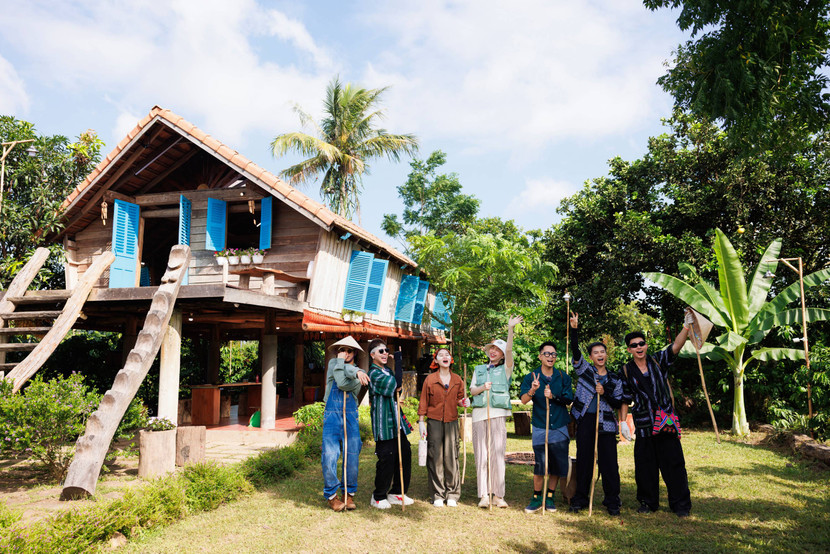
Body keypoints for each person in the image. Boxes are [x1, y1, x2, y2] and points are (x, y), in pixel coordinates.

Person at [620, 316, 693, 517]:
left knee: (674, 465)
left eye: (641, 343)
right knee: (645, 468)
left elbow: (676, 346)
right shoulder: (626, 370)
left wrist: (686, 325)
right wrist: (623, 423)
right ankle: (647, 502)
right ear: (629, 350)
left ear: (646, 345)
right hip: (643, 425)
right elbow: (625, 398)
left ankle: (680, 505)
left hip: (666, 423)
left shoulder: (658, 360)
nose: (639, 347)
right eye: (634, 345)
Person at [567, 312, 623, 515]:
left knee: (609, 464)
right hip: (585, 421)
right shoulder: (585, 371)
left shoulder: (615, 379)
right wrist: (574, 329)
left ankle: (612, 501)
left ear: (607, 355)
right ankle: (580, 499)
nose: (600, 355)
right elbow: (575, 351)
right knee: (584, 461)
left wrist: (604, 392)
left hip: (607, 424)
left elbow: (618, 401)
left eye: (603, 352)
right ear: (591, 357)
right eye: (596, 352)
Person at [469, 315, 522, 508]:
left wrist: (510, 328)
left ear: (502, 355)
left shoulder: (507, 369)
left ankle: (498, 495)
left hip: (498, 415)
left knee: (497, 455)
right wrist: (483, 387)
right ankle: (483, 494)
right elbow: (472, 390)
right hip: (479, 415)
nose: (494, 351)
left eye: (497, 350)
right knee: (481, 455)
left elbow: (509, 349)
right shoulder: (479, 369)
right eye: (492, 348)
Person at [519, 340, 574, 513]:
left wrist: (554, 396)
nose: (551, 357)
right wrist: (533, 390)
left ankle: (550, 496)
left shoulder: (563, 376)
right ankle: (536, 498)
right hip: (540, 425)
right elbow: (523, 400)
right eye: (547, 354)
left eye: (553, 354)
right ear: (540, 356)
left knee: (557, 464)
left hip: (559, 426)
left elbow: (569, 399)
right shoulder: (531, 377)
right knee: (541, 464)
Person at [321, 336, 370, 511]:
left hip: (350, 416)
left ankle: (348, 494)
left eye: (349, 350)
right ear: (338, 352)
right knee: (329, 454)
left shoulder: (359, 371)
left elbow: (349, 385)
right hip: (331, 415)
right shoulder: (334, 364)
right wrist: (356, 373)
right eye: (342, 350)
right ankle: (332, 496)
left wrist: (357, 372)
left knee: (352, 454)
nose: (346, 353)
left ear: (355, 352)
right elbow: (341, 382)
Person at [418, 347, 470, 507]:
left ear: (451, 359)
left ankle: (452, 494)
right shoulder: (430, 380)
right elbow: (424, 402)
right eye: (440, 355)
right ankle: (438, 495)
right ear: (436, 361)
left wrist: (464, 403)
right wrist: (421, 422)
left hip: (452, 422)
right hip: (434, 422)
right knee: (435, 457)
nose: (444, 356)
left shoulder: (457, 380)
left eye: (447, 354)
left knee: (451, 457)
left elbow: (459, 400)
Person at [367, 338, 414, 509]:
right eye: (381, 351)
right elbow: (396, 385)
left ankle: (396, 493)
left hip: (396, 421)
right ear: (372, 355)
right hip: (383, 424)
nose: (385, 353)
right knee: (387, 458)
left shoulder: (387, 370)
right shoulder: (374, 373)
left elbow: (397, 387)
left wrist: (397, 365)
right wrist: (399, 360)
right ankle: (378, 496)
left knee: (405, 454)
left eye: (387, 350)